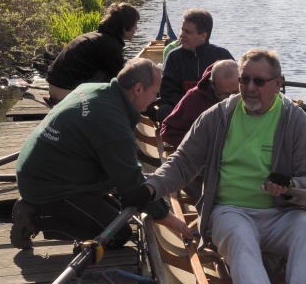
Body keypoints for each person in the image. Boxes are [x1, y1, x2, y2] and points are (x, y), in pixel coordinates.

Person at [126, 48, 306, 284]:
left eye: (259, 81)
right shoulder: (217, 117)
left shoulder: (296, 121)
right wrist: (150, 188)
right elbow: (182, 164)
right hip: (232, 211)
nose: (250, 88)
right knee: (241, 239)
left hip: (283, 214)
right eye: (244, 80)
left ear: (278, 83)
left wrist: (291, 185)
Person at [12, 58, 191, 250]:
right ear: (138, 89)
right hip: (46, 186)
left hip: (42, 167)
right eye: (155, 93)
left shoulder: (95, 89)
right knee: (119, 234)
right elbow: (133, 188)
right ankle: (35, 219)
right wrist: (167, 216)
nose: (156, 99)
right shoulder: (113, 125)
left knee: (116, 209)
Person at [45, 2, 140, 105]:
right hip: (66, 95)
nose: (136, 28)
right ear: (124, 28)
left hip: (54, 89)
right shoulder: (110, 45)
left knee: (125, 63)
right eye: (135, 25)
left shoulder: (99, 37)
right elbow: (122, 82)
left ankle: (55, 101)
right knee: (119, 77)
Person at [156, 8, 233, 122]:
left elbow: (234, 91)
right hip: (184, 111)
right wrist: (192, 106)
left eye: (188, 32)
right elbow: (167, 93)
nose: (181, 35)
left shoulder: (222, 55)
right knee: (163, 111)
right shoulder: (174, 57)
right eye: (182, 30)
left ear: (203, 36)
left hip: (214, 112)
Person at [160, 59, 239, 149]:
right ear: (212, 85)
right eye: (226, 94)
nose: (232, 98)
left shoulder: (250, 94)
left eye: (236, 92)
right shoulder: (194, 99)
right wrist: (200, 145)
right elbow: (167, 130)